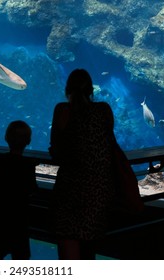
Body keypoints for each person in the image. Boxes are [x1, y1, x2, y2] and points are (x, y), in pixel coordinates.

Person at [48, 68, 116, 260]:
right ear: (90, 90)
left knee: (69, 247)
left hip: (71, 189)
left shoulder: (62, 110)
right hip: (99, 191)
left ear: (67, 89)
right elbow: (108, 143)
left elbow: (57, 151)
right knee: (88, 248)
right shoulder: (104, 110)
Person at [0, 120, 38, 260]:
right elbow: (33, 190)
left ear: (6, 138)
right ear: (28, 141)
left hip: (0, 219)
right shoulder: (27, 165)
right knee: (21, 257)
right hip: (19, 222)